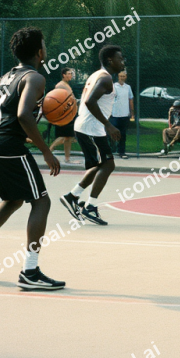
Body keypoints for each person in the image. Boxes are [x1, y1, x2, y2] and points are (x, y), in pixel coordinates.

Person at [0, 27, 65, 291]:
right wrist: (45, 149)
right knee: (41, 201)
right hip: (7, 144)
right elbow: (23, 115)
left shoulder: (5, 78)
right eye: (44, 44)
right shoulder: (35, 77)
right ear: (39, 51)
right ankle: (30, 271)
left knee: (14, 198)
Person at [60, 46, 124, 226]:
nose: (123, 62)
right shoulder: (105, 79)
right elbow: (89, 101)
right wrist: (108, 124)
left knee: (99, 166)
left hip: (89, 128)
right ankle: (88, 206)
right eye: (120, 59)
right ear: (110, 60)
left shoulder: (97, 75)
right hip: (92, 129)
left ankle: (72, 196)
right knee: (108, 164)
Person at [49, 67, 76, 163]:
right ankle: (48, 152)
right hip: (63, 114)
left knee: (68, 137)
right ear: (63, 75)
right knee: (63, 136)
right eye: (69, 74)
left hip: (69, 114)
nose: (70, 76)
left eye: (71, 74)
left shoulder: (66, 85)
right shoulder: (60, 85)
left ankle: (67, 158)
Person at [109, 69, 134, 159]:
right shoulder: (114, 86)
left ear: (125, 77)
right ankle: (111, 150)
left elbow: (130, 99)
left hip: (124, 114)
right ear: (118, 77)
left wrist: (132, 113)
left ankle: (122, 152)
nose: (122, 78)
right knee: (112, 133)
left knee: (123, 134)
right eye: (120, 76)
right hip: (114, 114)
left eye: (123, 76)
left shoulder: (128, 87)